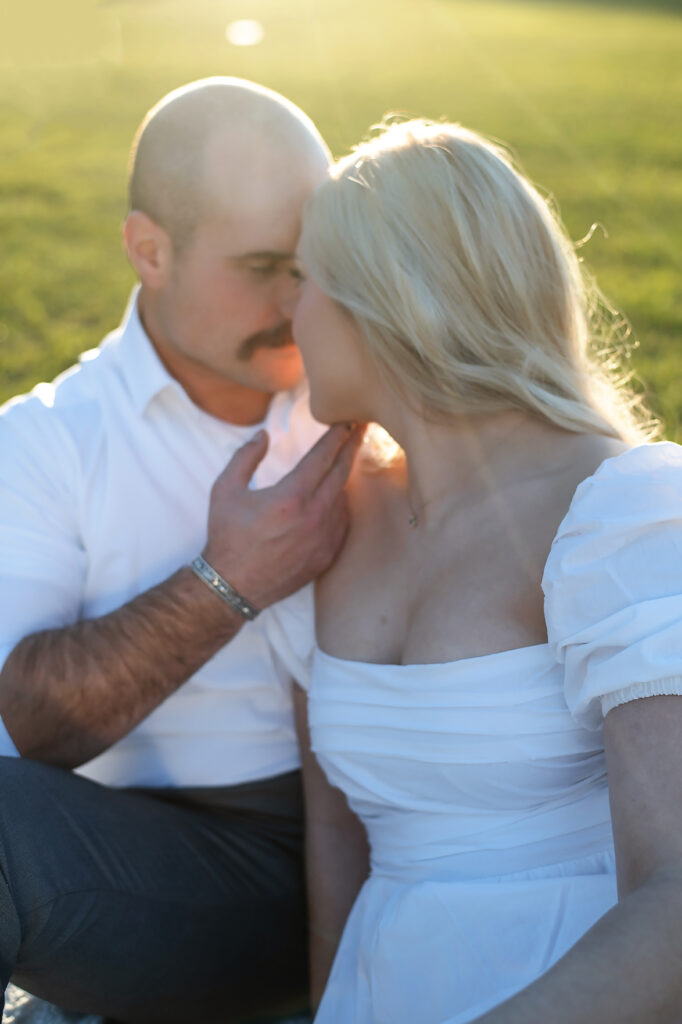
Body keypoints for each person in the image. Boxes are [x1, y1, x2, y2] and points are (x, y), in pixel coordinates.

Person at [271, 118, 682, 1023]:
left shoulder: (623, 512)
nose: (286, 314)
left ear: (387, 305)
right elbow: (338, 839)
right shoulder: (326, 515)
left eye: (306, 281)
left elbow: (676, 908)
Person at [0, 77, 363, 1023]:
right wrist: (229, 581)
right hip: (150, 863)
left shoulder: (371, 397)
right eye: (261, 265)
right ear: (148, 250)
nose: (299, 298)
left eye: (314, 263)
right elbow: (21, 724)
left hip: (381, 838)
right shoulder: (45, 442)